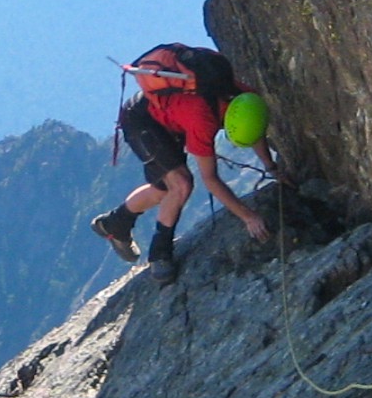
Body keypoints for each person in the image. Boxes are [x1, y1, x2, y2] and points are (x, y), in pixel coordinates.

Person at [91, 44, 276, 284]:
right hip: (143, 121)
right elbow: (210, 179)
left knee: (163, 189)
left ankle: (115, 223)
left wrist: (272, 168)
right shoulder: (202, 119)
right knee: (180, 184)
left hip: (168, 118)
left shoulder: (243, 97)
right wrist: (248, 217)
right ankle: (160, 254)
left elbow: (255, 129)